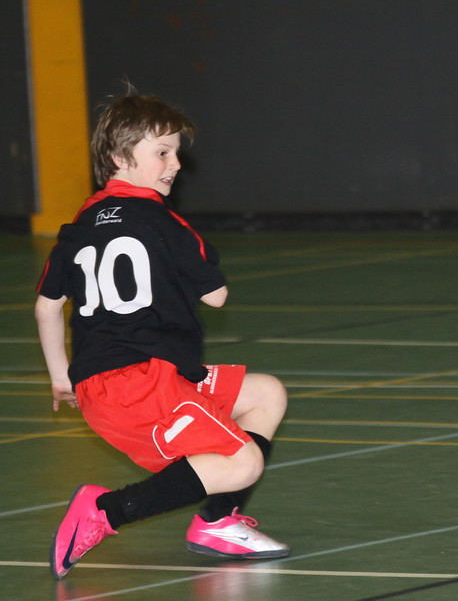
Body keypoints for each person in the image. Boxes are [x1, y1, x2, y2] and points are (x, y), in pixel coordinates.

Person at [35, 92, 290, 580]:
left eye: (176, 152)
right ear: (120, 157)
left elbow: (47, 308)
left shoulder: (78, 226)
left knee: (265, 394)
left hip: (116, 381)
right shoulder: (162, 220)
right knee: (244, 463)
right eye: (163, 153)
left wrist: (61, 378)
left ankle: (216, 523)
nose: (175, 164)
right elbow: (216, 296)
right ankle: (106, 511)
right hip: (137, 385)